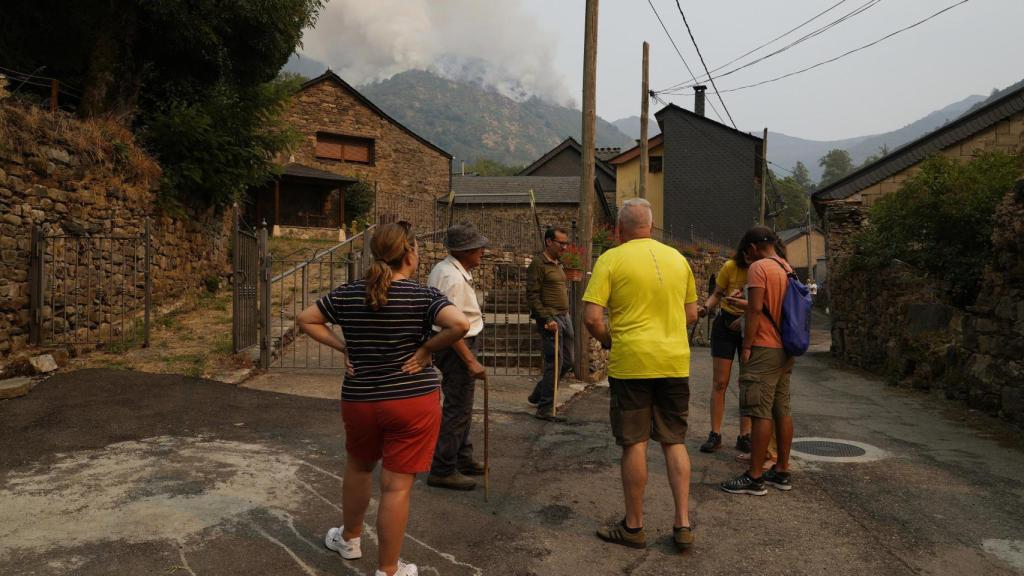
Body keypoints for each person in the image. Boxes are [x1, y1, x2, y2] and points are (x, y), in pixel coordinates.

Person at [296, 221, 470, 576]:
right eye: (417, 248)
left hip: (360, 399)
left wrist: (342, 345)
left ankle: (349, 538)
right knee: (395, 488)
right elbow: (459, 325)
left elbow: (306, 319)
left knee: (359, 467)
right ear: (409, 253)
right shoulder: (423, 296)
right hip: (411, 402)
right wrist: (425, 350)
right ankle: (388, 570)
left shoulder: (348, 293)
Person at [582, 198, 699, 552]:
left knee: (634, 442)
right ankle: (682, 524)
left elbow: (592, 318)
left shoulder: (611, 259)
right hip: (674, 362)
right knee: (673, 440)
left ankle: (634, 527)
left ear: (619, 229)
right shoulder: (678, 260)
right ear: (651, 225)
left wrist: (608, 341)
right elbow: (692, 314)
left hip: (632, 362)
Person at [720, 226, 796, 497]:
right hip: (785, 348)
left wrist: (748, 345)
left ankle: (754, 477)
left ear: (752, 248)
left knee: (759, 411)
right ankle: (782, 470)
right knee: (781, 409)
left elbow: (755, 309)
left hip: (764, 347)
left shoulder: (759, 268)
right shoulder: (786, 267)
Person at [426, 223, 488, 491]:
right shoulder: (451, 278)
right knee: (458, 407)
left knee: (461, 405)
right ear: (466, 251)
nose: (482, 252)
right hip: (456, 347)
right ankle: (443, 468)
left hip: (454, 345)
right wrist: (470, 360)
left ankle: (461, 457)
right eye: (478, 248)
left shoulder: (447, 270)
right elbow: (450, 327)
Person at [698, 239, 754, 455]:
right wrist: (706, 307)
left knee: (746, 383)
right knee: (720, 382)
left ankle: (745, 435)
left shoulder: (760, 270)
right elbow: (717, 293)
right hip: (725, 325)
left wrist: (746, 314)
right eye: (747, 253)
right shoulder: (730, 267)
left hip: (749, 326)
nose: (750, 257)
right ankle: (715, 433)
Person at [526, 226, 575, 421]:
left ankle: (538, 394)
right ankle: (545, 408)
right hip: (551, 319)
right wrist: (547, 319)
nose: (564, 247)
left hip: (565, 317)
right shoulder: (538, 264)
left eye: (566, 243)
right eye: (561, 243)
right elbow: (532, 295)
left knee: (568, 361)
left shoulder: (557, 263)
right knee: (554, 363)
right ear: (548, 242)